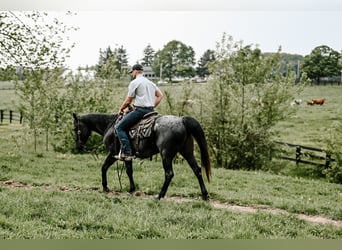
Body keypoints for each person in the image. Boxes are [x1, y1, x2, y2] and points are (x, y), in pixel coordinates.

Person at [114, 64, 163, 161]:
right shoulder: (150, 83)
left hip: (140, 111)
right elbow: (160, 95)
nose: (132, 74)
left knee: (119, 127)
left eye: (132, 72)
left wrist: (120, 109)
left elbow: (128, 100)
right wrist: (151, 105)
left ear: (135, 71)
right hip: (150, 111)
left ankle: (126, 152)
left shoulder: (134, 82)